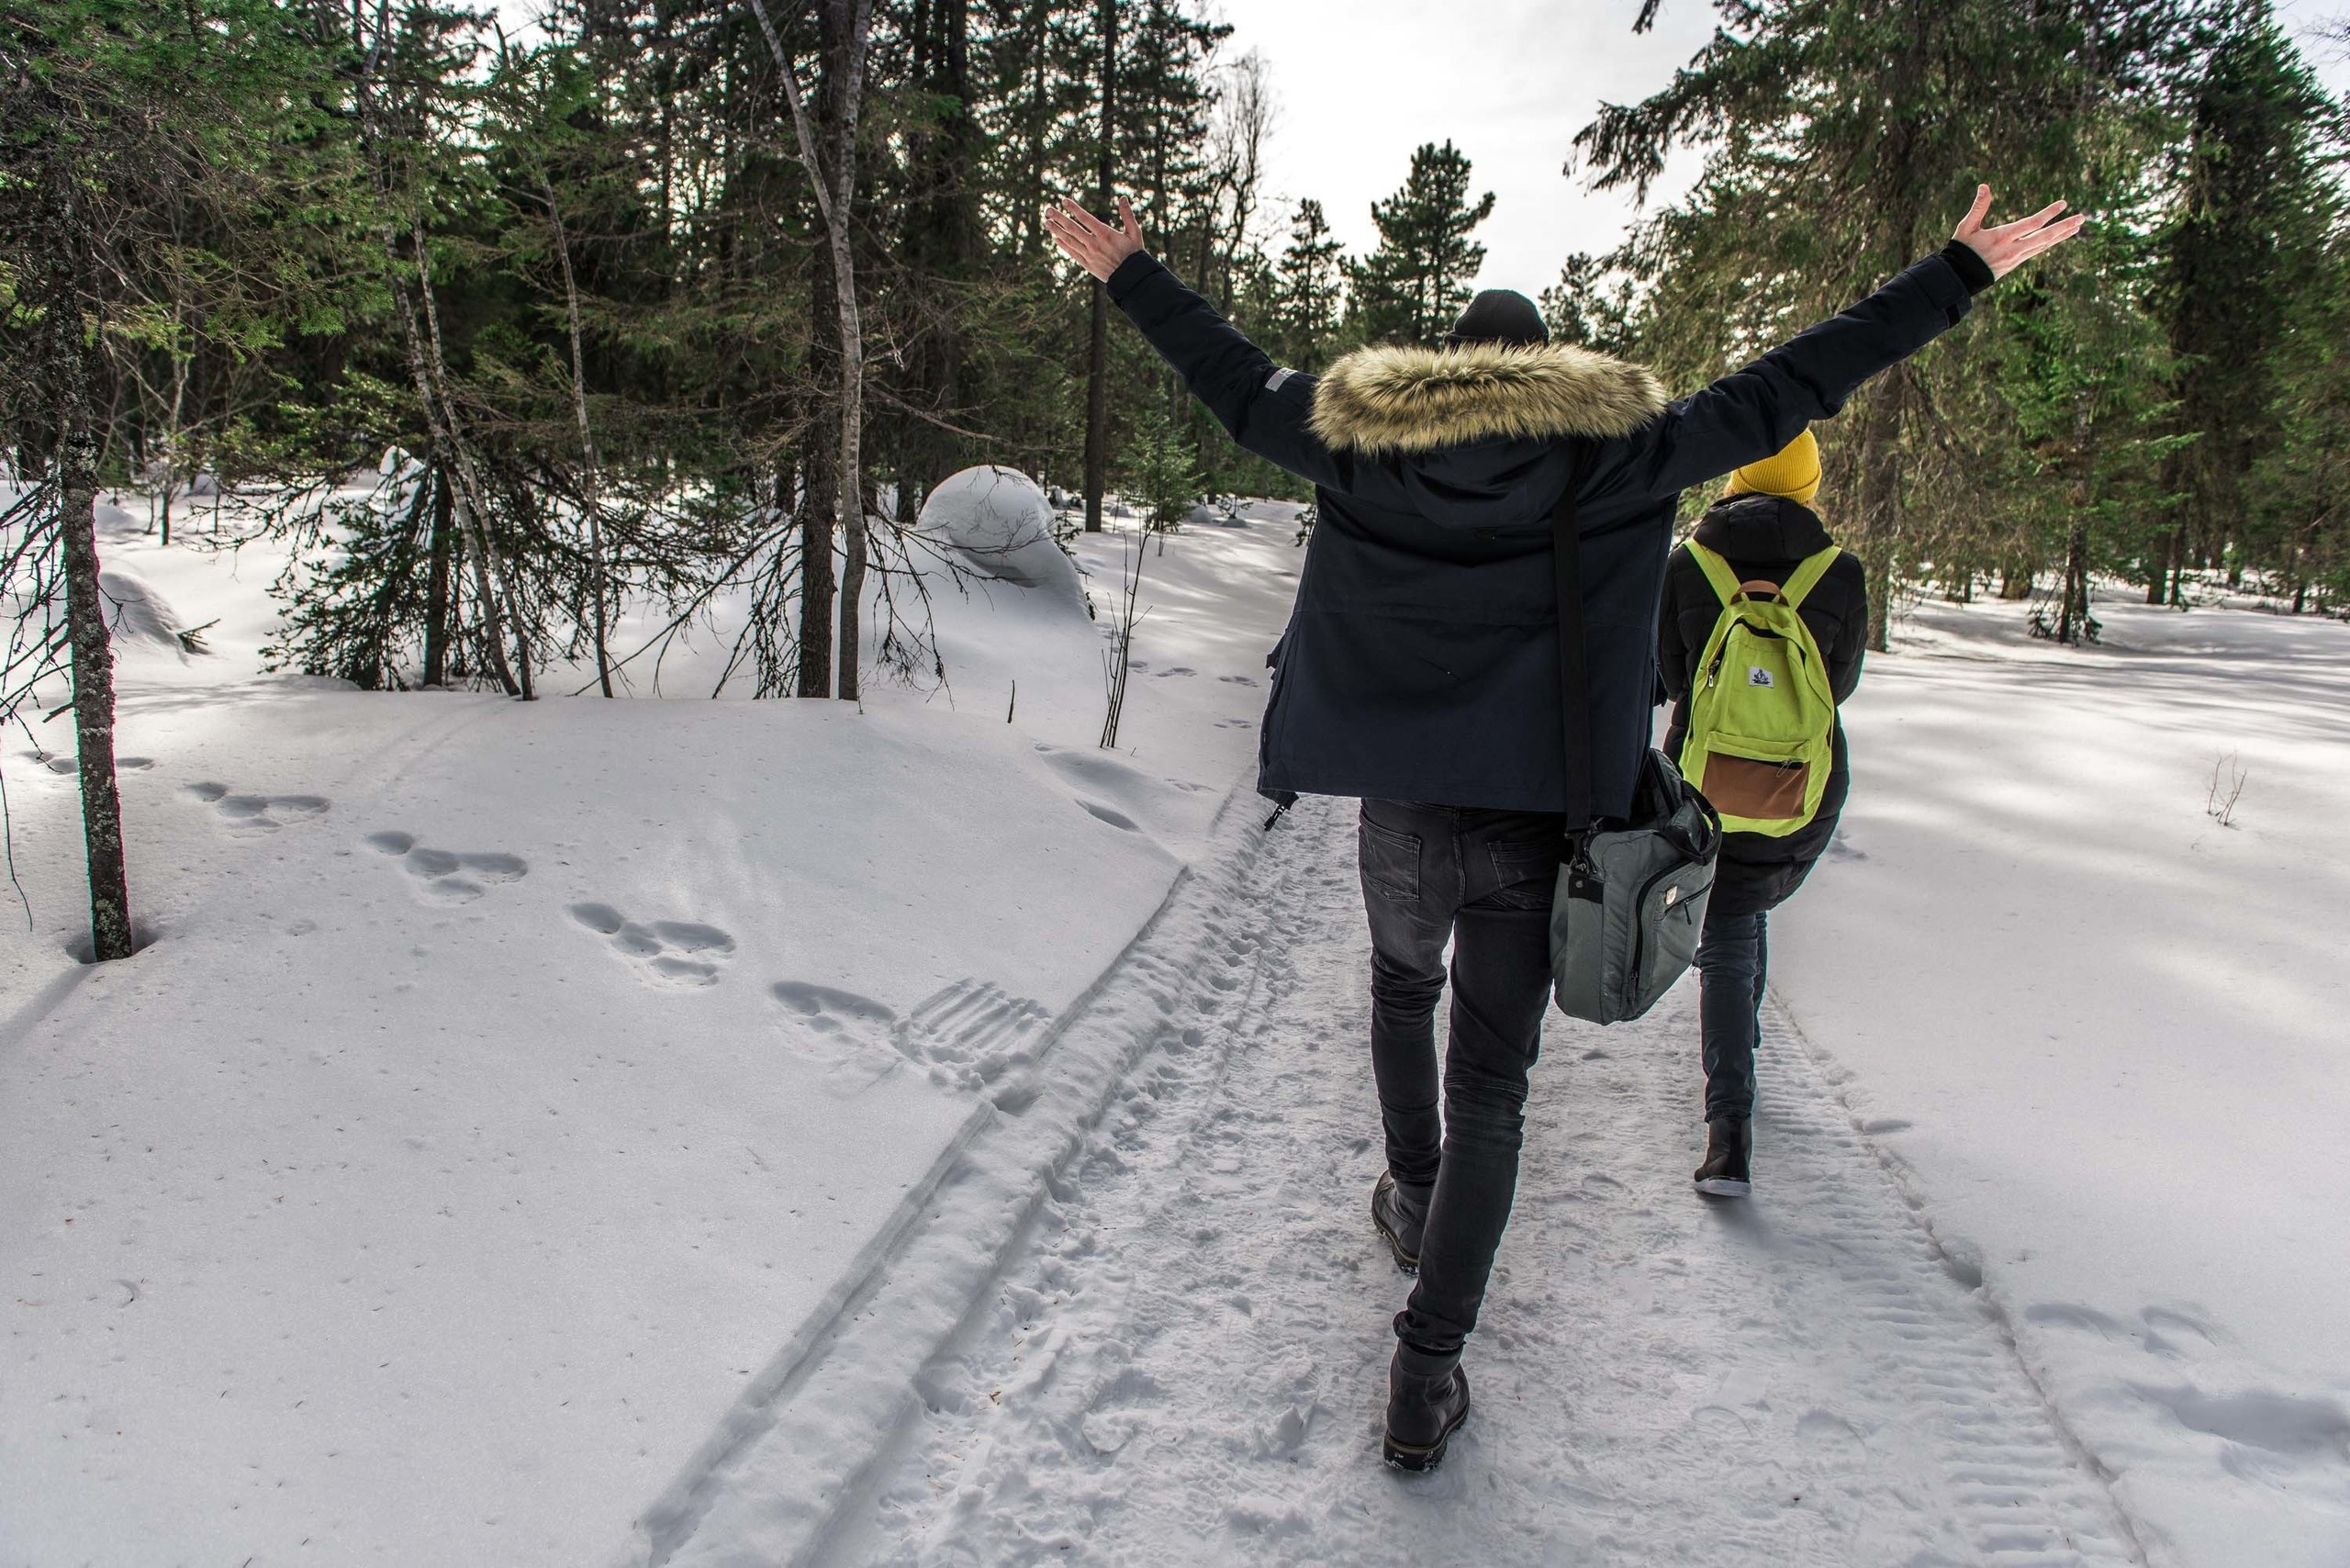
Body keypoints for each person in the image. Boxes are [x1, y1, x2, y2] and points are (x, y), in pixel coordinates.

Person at [1045, 185, 2079, 1472]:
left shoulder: (1359, 444)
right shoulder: (1622, 453)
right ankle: (1426, 1376)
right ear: (1547, 371)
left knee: (1396, 986)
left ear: (1443, 371)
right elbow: (1794, 381)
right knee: (1495, 1082)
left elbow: (1230, 377)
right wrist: (1960, 268)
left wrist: (1131, 270)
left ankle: (1413, 1196)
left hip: (1406, 806)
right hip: (1542, 820)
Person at [1656, 431, 1865, 1200]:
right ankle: (1739, 1080)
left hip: (1703, 785)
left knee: (1729, 931)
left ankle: (1729, 1131)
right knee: (1742, 920)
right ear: (1808, 485)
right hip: (1801, 790)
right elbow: (1836, 691)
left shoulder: (1690, 563)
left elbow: (1674, 675)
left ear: (1738, 475)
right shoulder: (1838, 573)